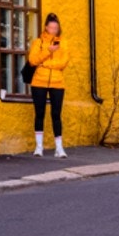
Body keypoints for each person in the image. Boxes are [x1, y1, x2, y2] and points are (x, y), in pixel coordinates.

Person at [28, 12, 70, 158]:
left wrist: (45, 64)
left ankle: (59, 148)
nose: (53, 30)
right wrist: (48, 51)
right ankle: (39, 147)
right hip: (39, 81)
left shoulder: (63, 43)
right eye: (51, 27)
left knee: (56, 114)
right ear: (46, 27)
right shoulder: (38, 42)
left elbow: (63, 62)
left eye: (55, 28)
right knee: (40, 114)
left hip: (57, 82)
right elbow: (33, 60)